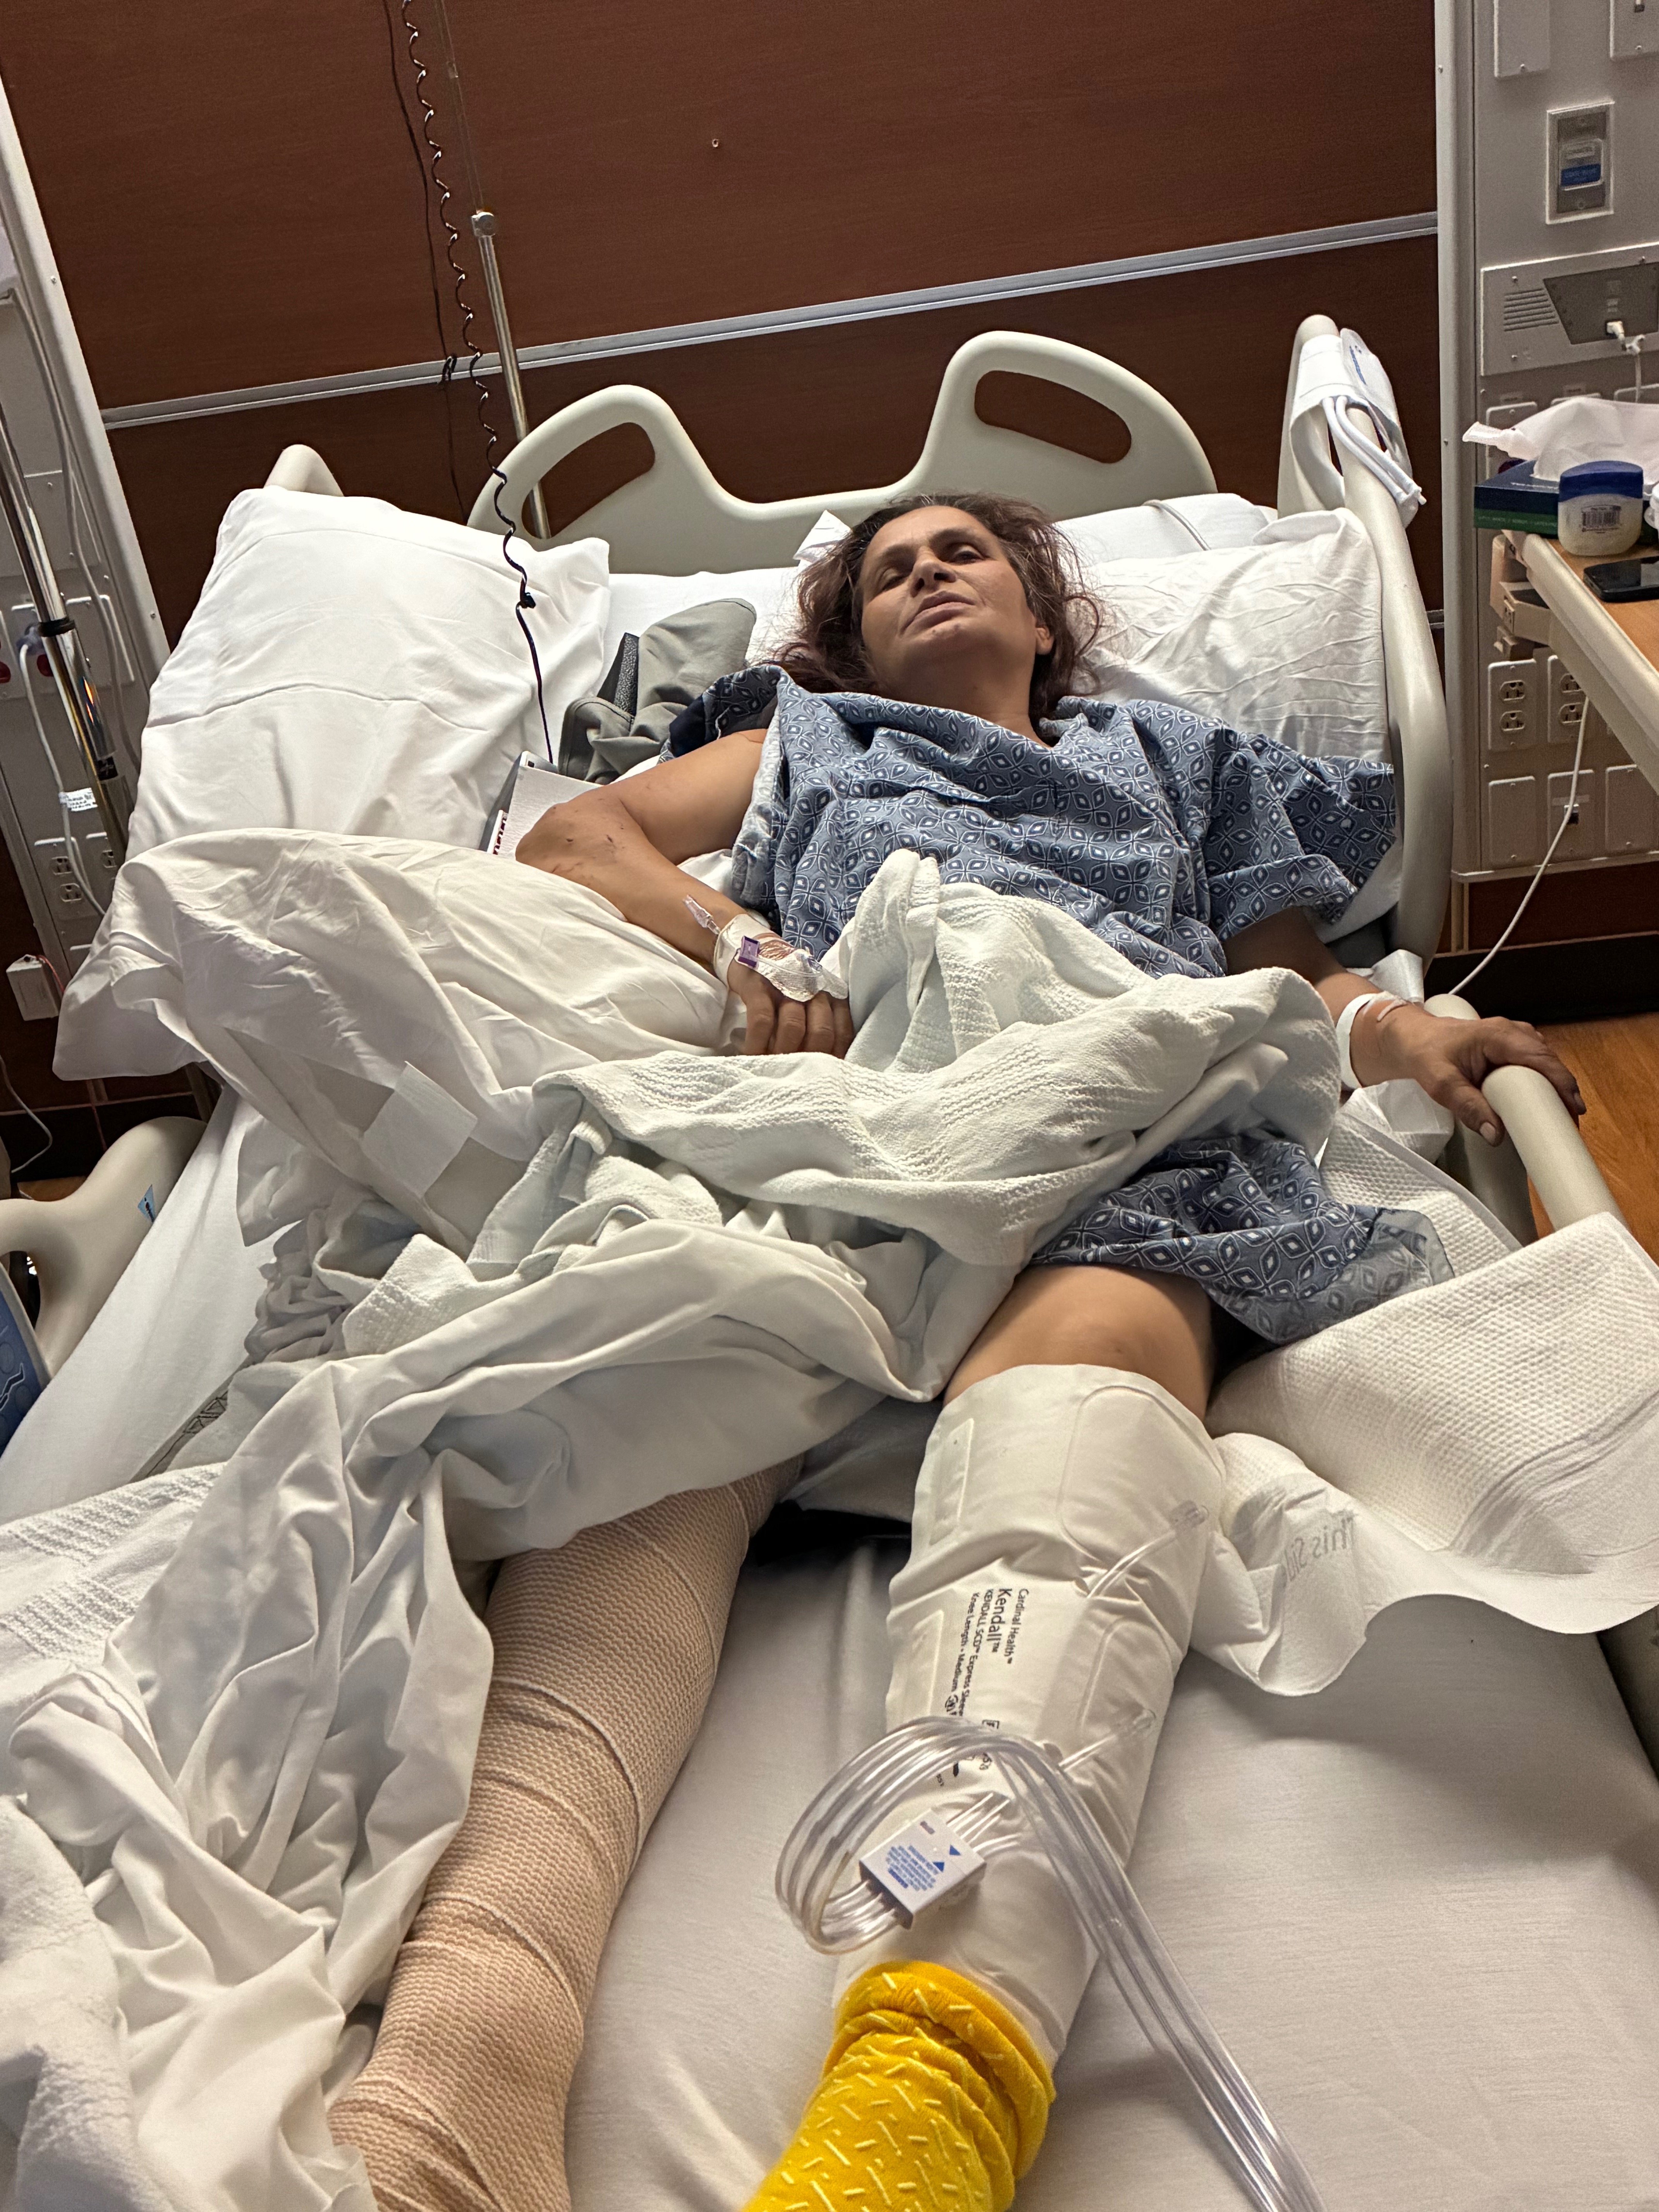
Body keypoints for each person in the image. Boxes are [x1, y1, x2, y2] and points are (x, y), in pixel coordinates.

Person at [517, 495, 1583, 2212]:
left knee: (1096, 1337)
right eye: (888, 572)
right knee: (642, 1369)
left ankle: (933, 2086)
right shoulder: (810, 741)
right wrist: (740, 938)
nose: (927, 572)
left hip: (1120, 1111)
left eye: (964, 552)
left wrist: (1409, 1034)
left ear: (1041, 612)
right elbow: (578, 836)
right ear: (854, 646)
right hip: (867, 1109)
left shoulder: (1174, 757)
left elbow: (1293, 985)